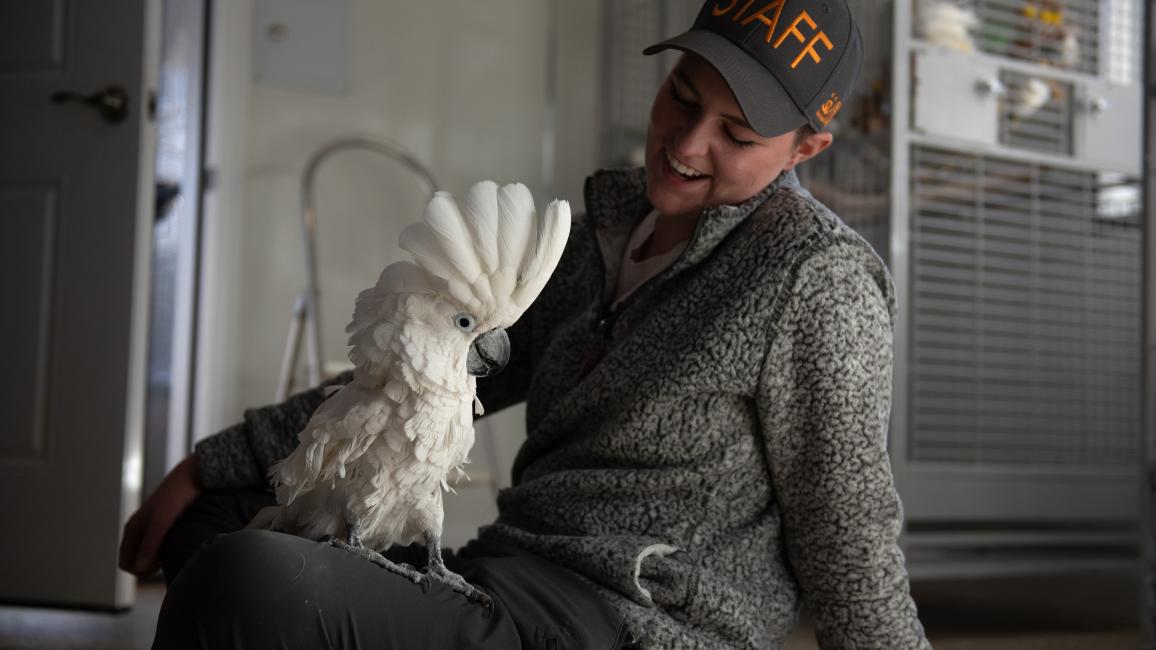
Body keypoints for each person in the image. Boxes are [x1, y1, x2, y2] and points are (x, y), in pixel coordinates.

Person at [125, 1, 932, 648]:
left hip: (629, 622)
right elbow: (409, 381)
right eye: (684, 96)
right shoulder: (598, 237)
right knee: (219, 521)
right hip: (511, 570)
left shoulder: (816, 280)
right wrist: (209, 462)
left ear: (807, 147)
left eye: (738, 134)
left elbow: (847, 532)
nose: (687, 144)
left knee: (251, 585)